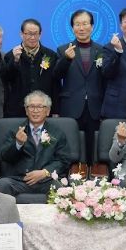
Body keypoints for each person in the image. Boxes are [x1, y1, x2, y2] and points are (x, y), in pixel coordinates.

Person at [53, 9, 105, 164]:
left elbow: (106, 78)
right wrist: (66, 59)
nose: (81, 28)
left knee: (93, 148)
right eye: (77, 24)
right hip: (71, 107)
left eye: (85, 24)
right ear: (72, 27)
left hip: (95, 107)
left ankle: (93, 176)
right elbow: (56, 76)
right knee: (71, 147)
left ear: (92, 26)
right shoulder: (63, 49)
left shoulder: (102, 50)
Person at [0, 91, 71, 196]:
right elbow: (5, 157)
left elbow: (63, 160)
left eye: (40, 107)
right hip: (20, 180)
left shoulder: (57, 133)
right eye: (31, 107)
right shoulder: (15, 131)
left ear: (48, 111)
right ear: (26, 111)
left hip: (46, 180)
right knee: (3, 184)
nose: (35, 111)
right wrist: (18, 143)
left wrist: (45, 172)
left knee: (61, 187)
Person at [3, 18, 60, 117]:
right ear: (21, 34)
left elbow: (56, 85)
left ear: (40, 34)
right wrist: (15, 61)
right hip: (17, 111)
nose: (32, 37)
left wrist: (56, 110)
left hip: (43, 110)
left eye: (35, 34)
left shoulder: (50, 55)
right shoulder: (10, 55)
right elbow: (7, 80)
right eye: (29, 34)